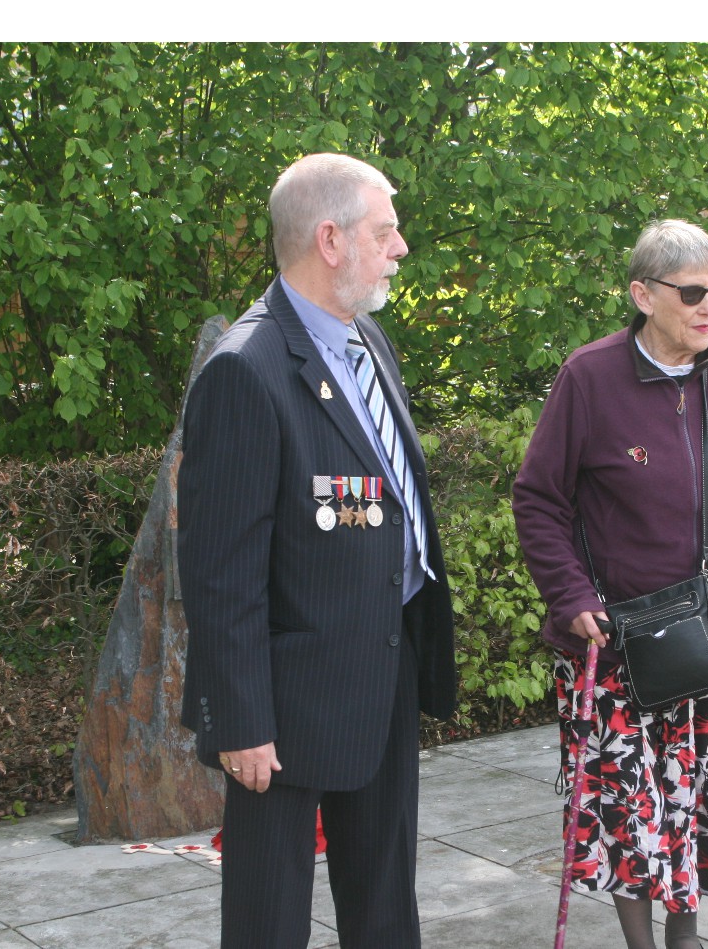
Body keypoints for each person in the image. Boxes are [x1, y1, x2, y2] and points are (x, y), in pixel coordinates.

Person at [177, 153, 456, 949]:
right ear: (330, 239)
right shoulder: (245, 370)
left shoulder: (367, 341)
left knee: (384, 910)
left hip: (381, 667)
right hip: (283, 706)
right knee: (269, 922)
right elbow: (220, 572)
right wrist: (240, 721)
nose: (400, 247)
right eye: (386, 230)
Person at [512, 219, 708, 949]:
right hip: (620, 645)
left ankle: (686, 937)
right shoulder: (590, 377)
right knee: (629, 810)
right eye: (693, 293)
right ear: (642, 294)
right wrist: (570, 596)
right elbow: (539, 499)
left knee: (697, 797)